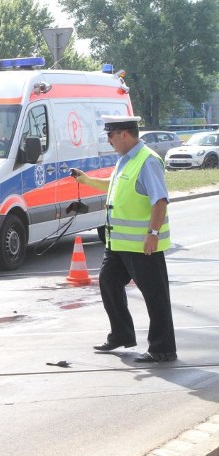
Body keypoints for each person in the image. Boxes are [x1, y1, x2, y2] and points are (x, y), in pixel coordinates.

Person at [72, 115, 176, 363]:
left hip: (142, 245)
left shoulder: (147, 161)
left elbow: (159, 200)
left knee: (155, 296)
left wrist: (152, 234)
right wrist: (86, 180)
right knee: (108, 283)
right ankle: (120, 334)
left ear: (124, 134)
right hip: (118, 245)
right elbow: (113, 186)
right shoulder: (125, 161)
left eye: (110, 136)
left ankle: (163, 348)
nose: (108, 141)